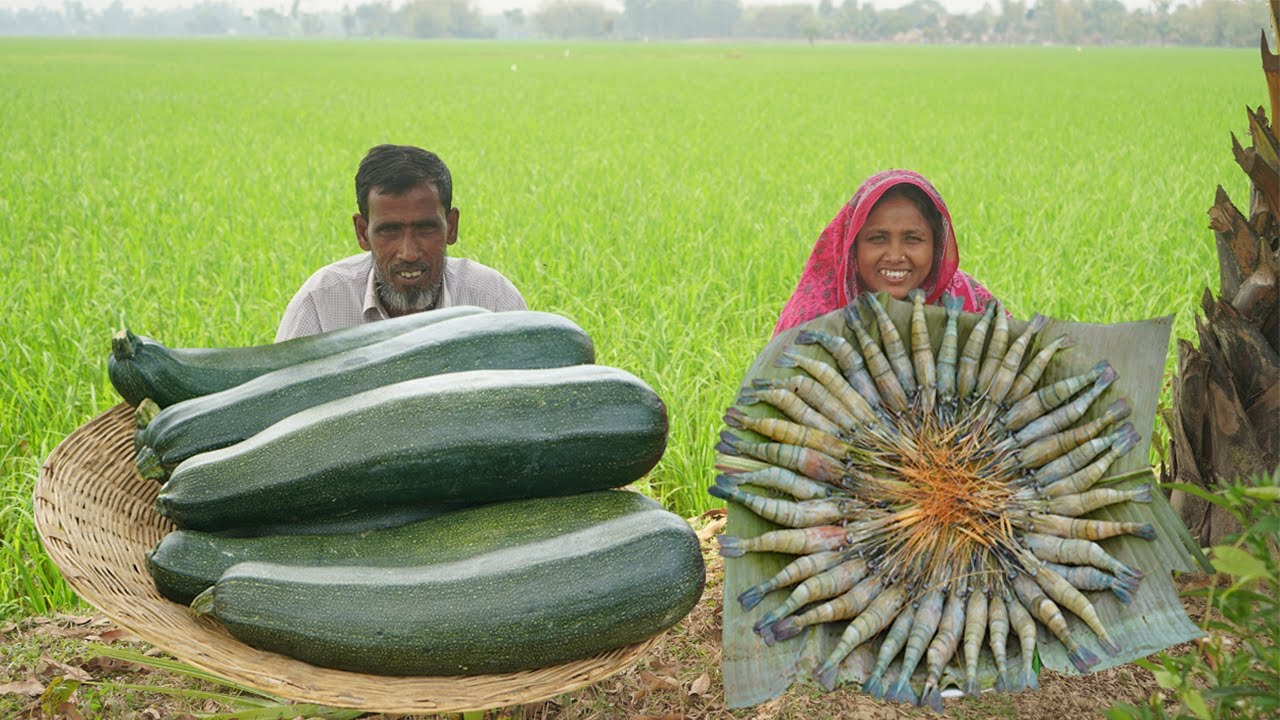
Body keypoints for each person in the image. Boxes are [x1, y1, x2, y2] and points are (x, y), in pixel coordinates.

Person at [276, 145, 526, 341]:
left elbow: (530, 399)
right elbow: (281, 400)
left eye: (425, 228)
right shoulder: (319, 303)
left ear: (452, 227)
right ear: (363, 233)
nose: (409, 253)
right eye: (390, 230)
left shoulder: (495, 302)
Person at [773, 169, 997, 337]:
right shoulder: (815, 321)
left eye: (913, 239)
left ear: (936, 246)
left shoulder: (968, 304)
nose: (895, 256)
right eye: (877, 238)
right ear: (853, 246)